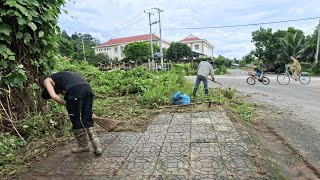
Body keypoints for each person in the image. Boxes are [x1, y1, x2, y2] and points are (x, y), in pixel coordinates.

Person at [40, 71, 102, 155]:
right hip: (87, 88)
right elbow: (79, 94)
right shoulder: (64, 77)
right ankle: (97, 147)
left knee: (75, 119)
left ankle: (83, 146)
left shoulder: (46, 80)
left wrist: (68, 104)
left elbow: (54, 96)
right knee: (87, 118)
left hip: (75, 90)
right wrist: (90, 112)